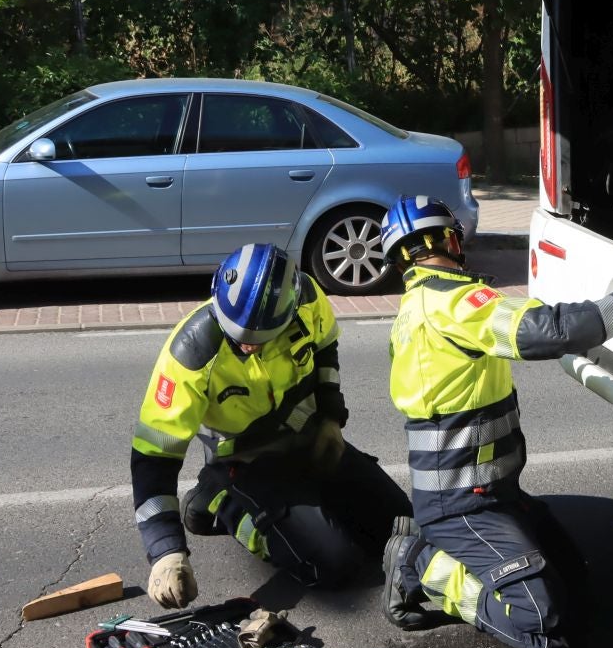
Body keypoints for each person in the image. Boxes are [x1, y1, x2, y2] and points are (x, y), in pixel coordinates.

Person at [378, 195, 613, 648]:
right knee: (542, 621)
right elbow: (544, 331)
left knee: (577, 581)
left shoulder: (417, 306)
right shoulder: (453, 303)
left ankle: (432, 545)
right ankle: (420, 565)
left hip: (492, 495)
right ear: (450, 239)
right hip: (462, 505)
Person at [130, 242, 409, 607]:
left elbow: (326, 352)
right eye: (237, 337)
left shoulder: (307, 298)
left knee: (403, 524)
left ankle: (307, 502)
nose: (247, 347)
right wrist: (165, 550)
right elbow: (154, 459)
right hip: (243, 464)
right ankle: (216, 500)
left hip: (307, 440)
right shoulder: (192, 353)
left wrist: (329, 420)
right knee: (334, 567)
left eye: (257, 340)